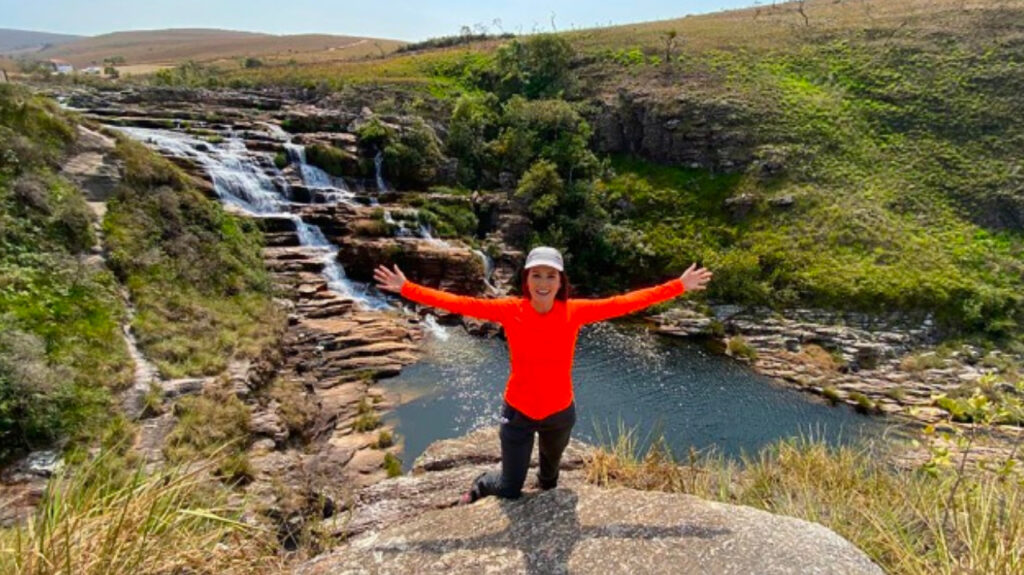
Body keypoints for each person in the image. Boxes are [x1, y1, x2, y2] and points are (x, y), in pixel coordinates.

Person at [373, 246, 712, 504]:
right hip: (518, 413)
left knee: (549, 481)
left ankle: (544, 481)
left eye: (551, 276)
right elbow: (460, 303)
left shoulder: (574, 312)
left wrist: (678, 286)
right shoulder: (510, 310)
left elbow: (626, 302)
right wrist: (407, 288)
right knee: (509, 488)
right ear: (527, 280)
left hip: (559, 415)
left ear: (561, 281)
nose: (543, 283)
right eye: (537, 275)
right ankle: (478, 484)